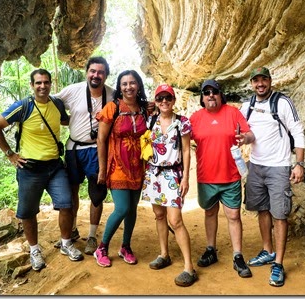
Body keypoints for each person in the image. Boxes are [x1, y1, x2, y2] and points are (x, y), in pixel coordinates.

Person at [0, 68, 83, 271]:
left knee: (66, 204)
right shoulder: (23, 106)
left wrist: (91, 115)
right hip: (30, 168)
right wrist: (10, 154)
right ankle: (34, 250)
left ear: (51, 84)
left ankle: (66, 243)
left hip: (55, 165)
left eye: (46, 82)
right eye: (38, 83)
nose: (42, 86)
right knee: (28, 212)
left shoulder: (57, 104)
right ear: (32, 85)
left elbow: (66, 120)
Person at [239, 67, 305, 287]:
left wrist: (299, 163)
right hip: (256, 166)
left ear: (270, 81)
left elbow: (297, 130)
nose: (260, 84)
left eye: (264, 79)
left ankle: (278, 262)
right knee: (263, 209)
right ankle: (267, 250)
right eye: (256, 80)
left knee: (280, 214)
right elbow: (247, 133)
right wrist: (245, 140)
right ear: (251, 83)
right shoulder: (247, 105)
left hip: (279, 166)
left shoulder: (283, 102)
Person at [189, 79, 255, 278]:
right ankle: (211, 250)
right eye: (206, 92)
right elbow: (182, 141)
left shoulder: (233, 113)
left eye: (214, 92)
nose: (211, 95)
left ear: (220, 94)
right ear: (202, 97)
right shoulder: (195, 118)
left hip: (230, 176)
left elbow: (250, 134)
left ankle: (237, 256)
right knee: (210, 213)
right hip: (206, 176)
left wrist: (246, 139)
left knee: (233, 216)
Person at [53, 56, 114, 255]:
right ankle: (70, 231)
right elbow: (52, 102)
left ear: (106, 75)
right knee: (71, 192)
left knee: (97, 193)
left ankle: (92, 236)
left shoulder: (112, 94)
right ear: (87, 72)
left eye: (101, 72)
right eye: (93, 71)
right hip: (74, 148)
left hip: (97, 149)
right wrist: (67, 120)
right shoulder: (73, 90)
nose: (96, 75)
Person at [142, 84, 198, 287]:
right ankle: (164, 254)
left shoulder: (182, 122)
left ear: (174, 101)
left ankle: (189, 267)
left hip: (173, 174)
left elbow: (186, 151)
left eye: (168, 98)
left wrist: (185, 179)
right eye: (160, 98)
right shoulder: (151, 120)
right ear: (155, 101)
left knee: (176, 221)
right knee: (159, 216)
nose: (164, 101)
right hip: (153, 174)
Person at [93, 70, 149, 267]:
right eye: (124, 84)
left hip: (138, 166)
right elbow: (101, 139)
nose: (128, 87)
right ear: (120, 87)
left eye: (132, 83)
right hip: (117, 165)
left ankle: (126, 246)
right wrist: (101, 169)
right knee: (122, 208)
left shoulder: (144, 108)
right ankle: (102, 247)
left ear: (139, 85)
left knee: (132, 209)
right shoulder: (112, 108)